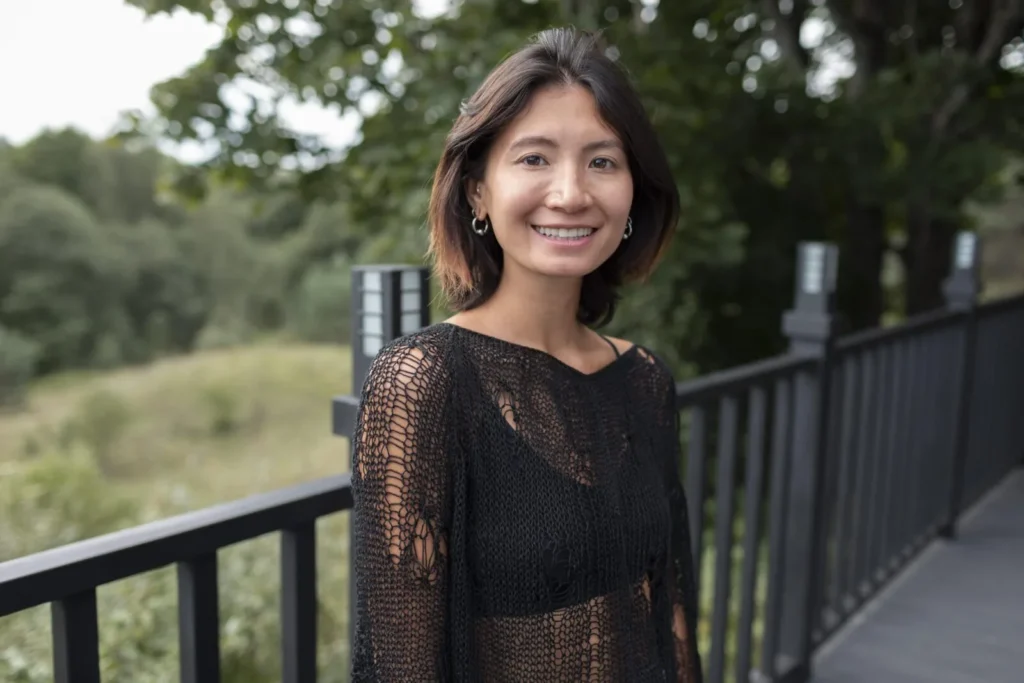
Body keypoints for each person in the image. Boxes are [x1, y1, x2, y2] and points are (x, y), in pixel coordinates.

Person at [350, 26, 703, 683]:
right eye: (534, 158)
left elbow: (671, 613)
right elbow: (397, 667)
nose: (571, 193)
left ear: (633, 192)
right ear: (478, 191)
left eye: (602, 160)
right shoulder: (425, 381)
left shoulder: (645, 380)